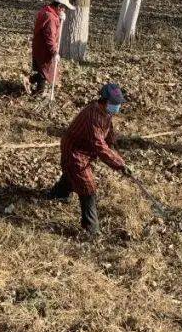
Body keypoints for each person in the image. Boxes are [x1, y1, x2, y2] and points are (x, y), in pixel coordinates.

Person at [46, 83, 129, 235]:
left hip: (84, 150)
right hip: (75, 151)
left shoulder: (105, 113)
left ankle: (58, 194)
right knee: (88, 187)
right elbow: (99, 146)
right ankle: (91, 229)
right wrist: (118, 164)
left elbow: (108, 133)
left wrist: (117, 153)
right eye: (115, 103)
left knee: (72, 175)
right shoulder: (93, 116)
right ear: (105, 101)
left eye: (119, 103)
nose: (117, 107)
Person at [27, 0, 75, 96]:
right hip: (44, 48)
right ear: (59, 7)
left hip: (40, 46)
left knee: (43, 70)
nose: (64, 11)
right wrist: (54, 52)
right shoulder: (50, 18)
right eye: (64, 8)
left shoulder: (47, 11)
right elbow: (50, 38)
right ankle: (39, 92)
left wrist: (59, 18)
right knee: (45, 71)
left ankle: (30, 81)